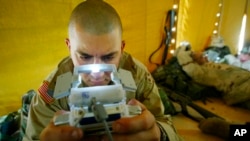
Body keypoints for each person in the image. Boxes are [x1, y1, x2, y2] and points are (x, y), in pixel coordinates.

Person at [22, 0, 182, 141]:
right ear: (69, 47)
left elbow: (164, 122)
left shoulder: (136, 75)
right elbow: (32, 137)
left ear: (121, 48)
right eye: (84, 57)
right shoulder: (54, 89)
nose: (96, 73)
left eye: (108, 57)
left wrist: (159, 134)